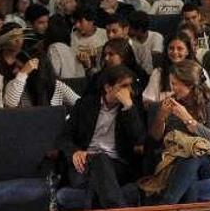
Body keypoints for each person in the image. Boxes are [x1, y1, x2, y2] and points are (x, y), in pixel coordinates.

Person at [57, 65, 146, 209]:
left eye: (130, 86)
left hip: (116, 166)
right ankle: (121, 204)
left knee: (100, 162)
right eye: (123, 86)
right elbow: (63, 137)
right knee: (98, 162)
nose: (128, 91)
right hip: (83, 165)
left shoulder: (132, 107)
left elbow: (139, 139)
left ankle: (109, 203)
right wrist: (74, 151)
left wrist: (129, 108)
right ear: (108, 88)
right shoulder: (85, 105)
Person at [144, 60, 210, 204]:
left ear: (190, 84)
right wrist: (161, 117)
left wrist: (187, 118)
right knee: (189, 171)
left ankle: (167, 203)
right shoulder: (170, 103)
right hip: (173, 157)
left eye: (175, 84)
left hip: (204, 158)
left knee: (192, 154)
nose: (172, 88)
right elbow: (155, 139)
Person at [143, 35, 210, 104]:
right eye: (171, 48)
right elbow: (147, 102)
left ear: (187, 51)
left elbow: (207, 98)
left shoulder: (199, 71)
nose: (175, 52)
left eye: (180, 49)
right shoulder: (158, 73)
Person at [4, 53, 80, 107]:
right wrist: (23, 73)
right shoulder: (17, 85)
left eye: (20, 68)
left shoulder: (57, 86)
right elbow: (10, 104)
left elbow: (81, 104)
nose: (14, 71)